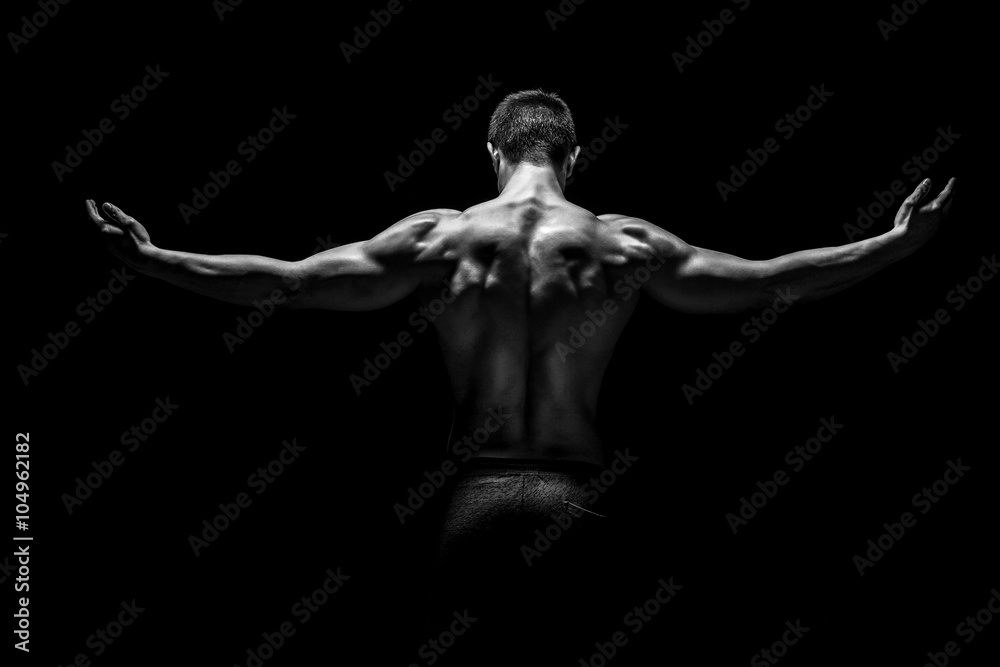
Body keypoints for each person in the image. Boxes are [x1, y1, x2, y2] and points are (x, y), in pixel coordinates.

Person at [85, 89, 956, 664]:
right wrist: (892, 244)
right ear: (573, 156)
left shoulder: (441, 236)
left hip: (475, 502)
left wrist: (157, 259)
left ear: (492, 152)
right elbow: (770, 280)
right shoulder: (623, 243)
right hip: (576, 497)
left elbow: (289, 281)